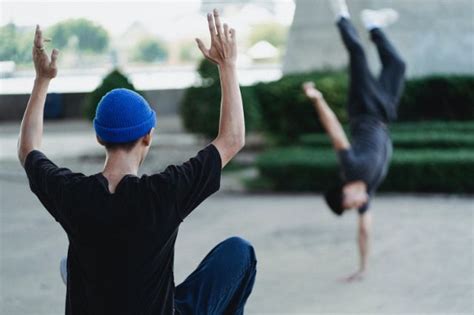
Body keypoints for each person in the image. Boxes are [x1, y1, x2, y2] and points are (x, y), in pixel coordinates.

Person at [18, 9, 256, 314]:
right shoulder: (164, 192)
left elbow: (28, 150)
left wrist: (41, 80)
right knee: (239, 251)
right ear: (148, 136)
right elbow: (232, 139)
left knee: (75, 263)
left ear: (100, 138)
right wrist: (228, 66)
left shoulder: (72, 193)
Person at [302, 0, 406, 282]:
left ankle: (340, 14)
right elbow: (364, 231)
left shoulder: (351, 167)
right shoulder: (367, 191)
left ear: (345, 190)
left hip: (363, 109)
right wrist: (363, 268)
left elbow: (335, 131)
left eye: (349, 203)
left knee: (358, 53)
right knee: (397, 64)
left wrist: (318, 99)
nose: (356, 205)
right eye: (353, 207)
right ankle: (374, 24)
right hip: (384, 112)